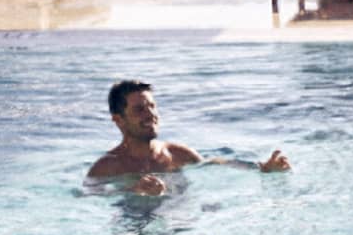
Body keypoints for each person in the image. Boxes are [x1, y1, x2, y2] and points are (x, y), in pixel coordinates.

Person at [87, 80, 290, 195]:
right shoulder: (107, 167)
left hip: (180, 224)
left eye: (152, 106)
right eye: (139, 109)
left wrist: (262, 168)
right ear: (119, 120)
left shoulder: (177, 154)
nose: (150, 114)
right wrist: (132, 190)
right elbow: (87, 196)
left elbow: (214, 164)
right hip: (133, 228)